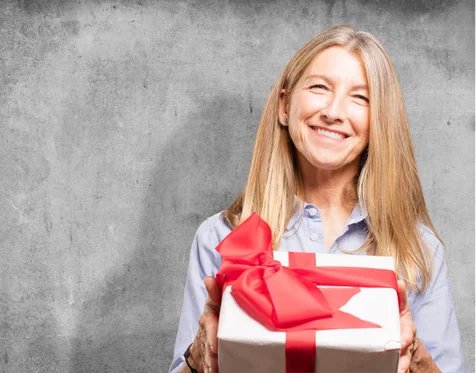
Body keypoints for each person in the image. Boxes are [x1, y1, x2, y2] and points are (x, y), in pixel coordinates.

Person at [168, 25, 465, 373]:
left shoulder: (418, 250)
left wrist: (417, 360)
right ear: (284, 105)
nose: (334, 111)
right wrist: (198, 358)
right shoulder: (222, 238)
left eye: (361, 97)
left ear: (377, 123)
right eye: (320, 87)